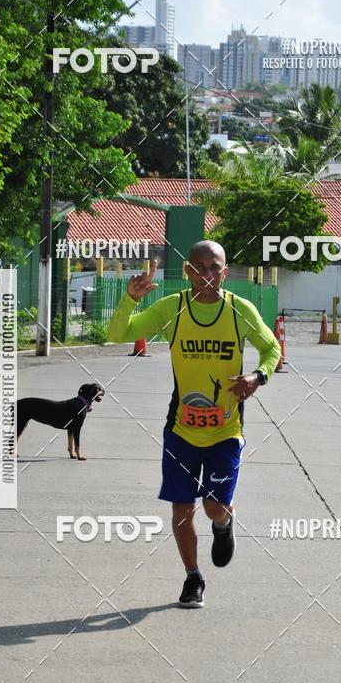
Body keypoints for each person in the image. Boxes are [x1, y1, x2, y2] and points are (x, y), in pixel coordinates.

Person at [107, 241, 281, 608]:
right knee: (181, 508)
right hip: (181, 429)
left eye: (214, 268)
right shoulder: (173, 309)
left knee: (213, 507)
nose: (207, 275)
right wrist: (130, 299)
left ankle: (223, 522)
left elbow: (272, 349)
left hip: (225, 432)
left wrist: (257, 376)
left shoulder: (239, 310)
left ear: (225, 269)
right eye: (199, 267)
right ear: (187, 271)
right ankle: (193, 577)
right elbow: (118, 334)